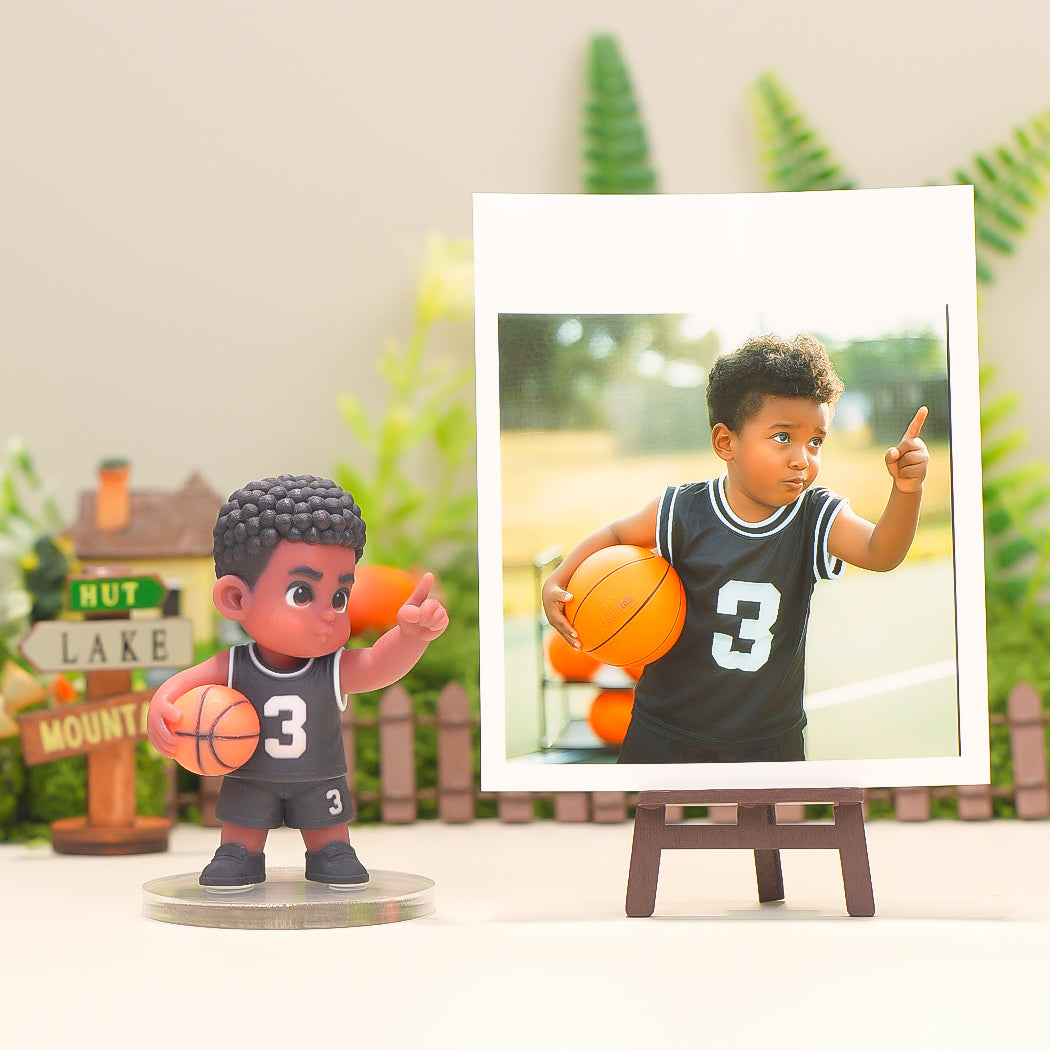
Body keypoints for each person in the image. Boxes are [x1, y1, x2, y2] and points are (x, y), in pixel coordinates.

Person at [542, 333, 929, 764]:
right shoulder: (683, 509)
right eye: (783, 437)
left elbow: (881, 552)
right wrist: (559, 579)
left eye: (815, 441)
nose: (802, 457)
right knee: (653, 831)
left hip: (767, 739)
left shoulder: (815, 516)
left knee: (764, 835)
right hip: (666, 728)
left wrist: (907, 490)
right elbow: (615, 534)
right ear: (726, 442)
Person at [147, 474, 448, 887]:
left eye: (339, 597)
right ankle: (238, 854)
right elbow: (180, 686)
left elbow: (379, 665)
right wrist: (160, 707)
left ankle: (331, 851)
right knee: (241, 828)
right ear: (236, 598)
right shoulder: (236, 664)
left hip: (318, 777)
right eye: (302, 594)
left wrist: (411, 638)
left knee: (330, 838)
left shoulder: (329, 667)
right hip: (250, 775)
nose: (328, 613)